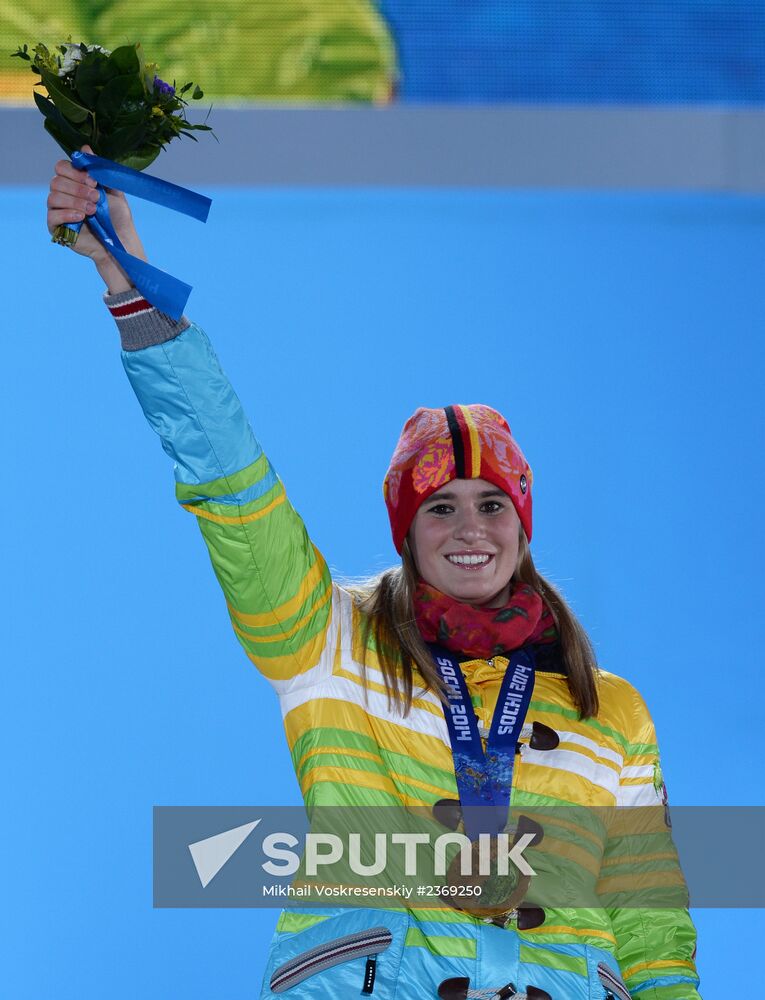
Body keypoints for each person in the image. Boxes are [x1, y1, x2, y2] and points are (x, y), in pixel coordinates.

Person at [46, 151, 702, 1000]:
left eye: (491, 505)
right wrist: (131, 288)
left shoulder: (610, 710)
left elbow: (649, 917)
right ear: (405, 532)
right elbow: (234, 491)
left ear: (523, 527)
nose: (470, 528)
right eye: (439, 507)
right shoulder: (327, 641)